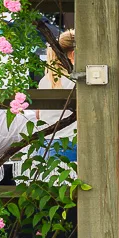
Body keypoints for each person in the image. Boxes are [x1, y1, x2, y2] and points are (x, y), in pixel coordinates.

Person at [36, 29, 77, 162]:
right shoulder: (76, 82)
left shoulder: (45, 81)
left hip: (45, 146)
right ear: (74, 55)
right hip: (71, 145)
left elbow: (38, 115)